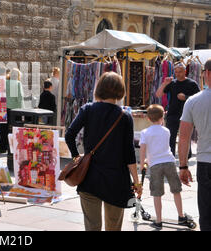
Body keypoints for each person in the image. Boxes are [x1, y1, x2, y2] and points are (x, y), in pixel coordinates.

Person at [65, 72, 141, 231]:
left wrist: (76, 157)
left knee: (92, 227)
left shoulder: (88, 109)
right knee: (113, 227)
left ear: (99, 88)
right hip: (116, 180)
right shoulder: (125, 116)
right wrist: (136, 181)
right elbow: (129, 154)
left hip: (89, 176)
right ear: (121, 91)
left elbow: (69, 134)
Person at [139, 104, 192, 229]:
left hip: (155, 165)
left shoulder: (145, 132)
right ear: (163, 117)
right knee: (176, 190)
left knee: (157, 193)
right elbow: (162, 147)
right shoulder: (166, 131)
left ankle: (158, 220)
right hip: (169, 162)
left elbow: (143, 150)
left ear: (148, 119)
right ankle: (181, 216)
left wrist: (142, 163)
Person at [178, 58, 211, 231]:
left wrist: (183, 166)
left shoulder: (193, 101)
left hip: (206, 162)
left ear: (206, 74)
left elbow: (183, 137)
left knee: (206, 214)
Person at [155, 62, 200, 157]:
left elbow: (199, 99)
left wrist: (186, 97)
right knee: (171, 138)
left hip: (187, 114)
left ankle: (186, 158)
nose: (177, 74)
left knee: (185, 137)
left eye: (180, 72)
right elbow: (158, 94)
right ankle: (170, 158)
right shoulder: (172, 83)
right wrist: (164, 83)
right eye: (176, 72)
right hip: (172, 114)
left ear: (185, 72)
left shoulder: (192, 84)